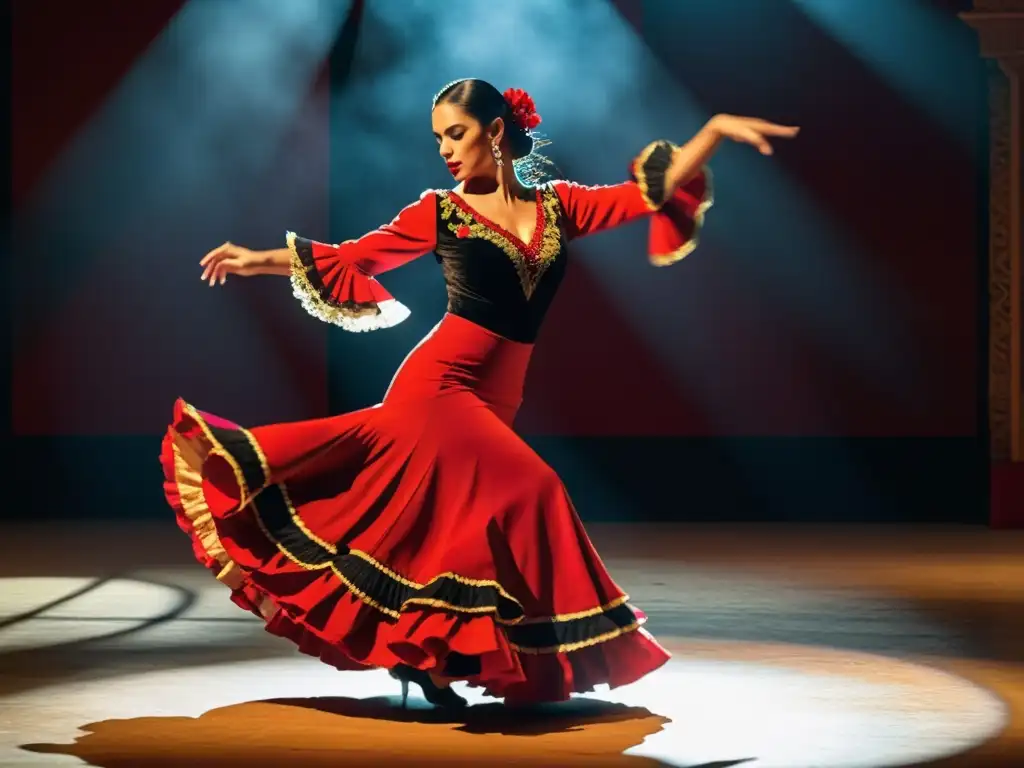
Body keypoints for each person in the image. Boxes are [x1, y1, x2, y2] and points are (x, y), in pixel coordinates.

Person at [162, 78, 798, 709]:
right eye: (438, 137)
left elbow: (647, 193)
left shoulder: (560, 207)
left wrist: (713, 130)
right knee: (535, 488)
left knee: (451, 537)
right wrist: (257, 259)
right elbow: (357, 256)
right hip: (441, 386)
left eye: (456, 133)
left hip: (498, 399)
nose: (445, 148)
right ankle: (507, 651)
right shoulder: (439, 212)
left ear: (495, 131)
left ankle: (431, 664)